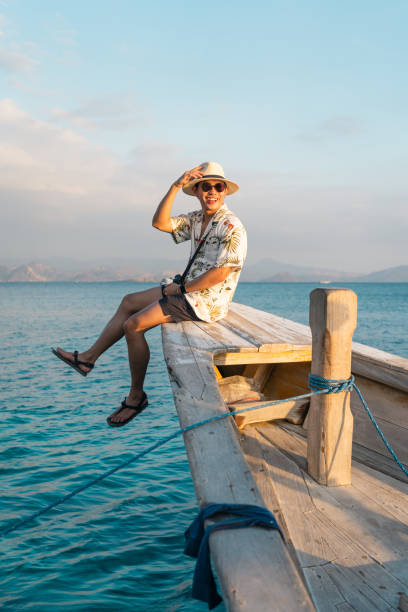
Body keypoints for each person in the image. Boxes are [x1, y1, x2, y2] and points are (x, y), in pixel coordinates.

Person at [52, 162, 247, 427]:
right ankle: (88, 359)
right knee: (128, 302)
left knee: (133, 326)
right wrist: (175, 185)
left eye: (217, 186)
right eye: (205, 186)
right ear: (198, 191)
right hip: (187, 290)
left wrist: (180, 289)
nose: (212, 191)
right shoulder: (198, 220)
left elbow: (220, 273)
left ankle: (136, 396)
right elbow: (160, 223)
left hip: (205, 301)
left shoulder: (231, 225)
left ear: (224, 191)